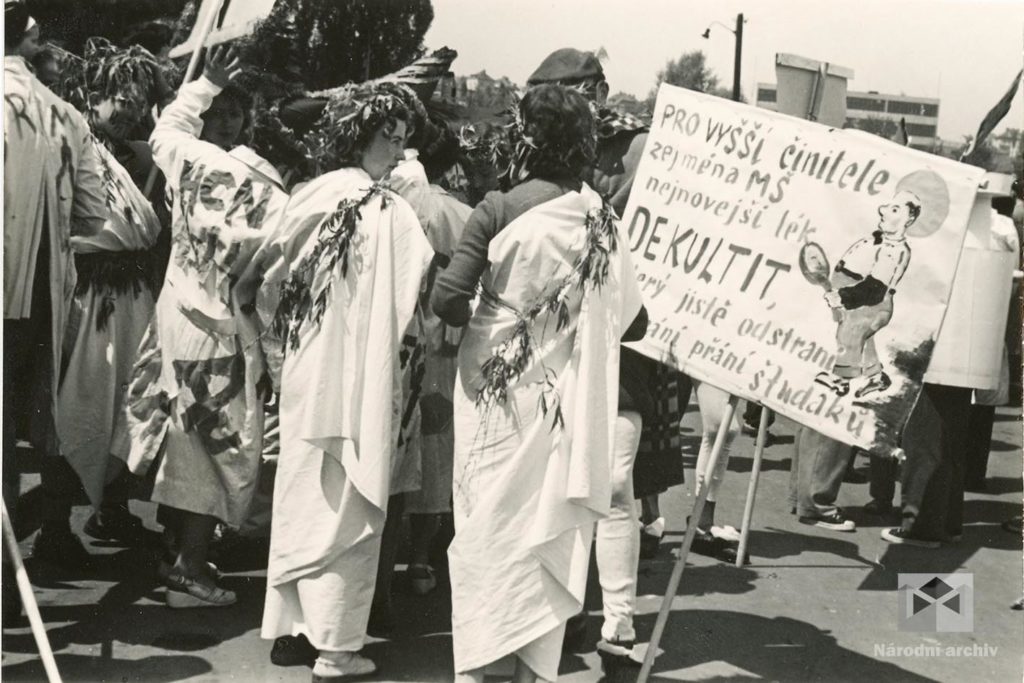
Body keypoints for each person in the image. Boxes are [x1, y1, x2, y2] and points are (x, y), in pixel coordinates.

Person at [433, 84, 644, 683]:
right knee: (542, 530)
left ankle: (479, 669)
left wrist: (497, 307)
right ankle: (530, 671)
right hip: (559, 400)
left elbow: (448, 300)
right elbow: (635, 321)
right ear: (584, 146)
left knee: (484, 528)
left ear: (521, 138)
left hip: (490, 398)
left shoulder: (495, 208)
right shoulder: (600, 218)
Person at [259, 83, 433, 681]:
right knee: (348, 496)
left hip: (309, 362)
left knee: (304, 485)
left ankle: (292, 630)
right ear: (360, 134)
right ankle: (333, 649)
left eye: (404, 138)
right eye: (391, 135)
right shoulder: (386, 210)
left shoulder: (311, 193)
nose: (399, 148)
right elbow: (416, 300)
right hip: (358, 368)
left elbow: (266, 281)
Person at [125, 46, 288, 607]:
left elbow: (167, 127)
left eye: (233, 115)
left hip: (177, 317)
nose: (224, 123)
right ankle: (189, 565)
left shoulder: (189, 157)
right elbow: (268, 287)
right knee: (216, 451)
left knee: (180, 436)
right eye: (220, 111)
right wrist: (274, 358)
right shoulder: (274, 197)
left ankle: (178, 549)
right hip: (221, 329)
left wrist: (201, 89)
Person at [526, 47, 663, 666]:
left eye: (589, 89)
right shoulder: (524, 159)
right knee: (552, 484)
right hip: (550, 350)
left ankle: (618, 622)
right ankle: (564, 610)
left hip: (615, 336)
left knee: (610, 484)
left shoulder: (634, 147)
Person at [50, 38, 165, 546]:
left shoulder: (144, 156)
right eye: (119, 97)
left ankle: (111, 509)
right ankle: (55, 526)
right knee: (79, 405)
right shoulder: (71, 145)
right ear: (93, 95)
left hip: (134, 295)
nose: (129, 109)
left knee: (128, 405)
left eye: (138, 99)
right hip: (88, 294)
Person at [4, 0, 106, 570]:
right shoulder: (67, 114)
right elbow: (93, 216)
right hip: (43, 296)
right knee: (28, 431)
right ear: (31, 39)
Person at [390, 123, 472, 597]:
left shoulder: (398, 201)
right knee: (437, 449)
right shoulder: (463, 214)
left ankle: (393, 550)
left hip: (403, 334)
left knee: (400, 442)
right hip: (444, 343)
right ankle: (421, 558)